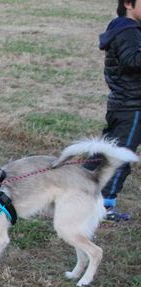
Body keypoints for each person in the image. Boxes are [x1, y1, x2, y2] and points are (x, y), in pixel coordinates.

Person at [92, 0, 141, 221]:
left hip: (124, 105)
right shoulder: (127, 31)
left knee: (105, 150)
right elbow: (133, 60)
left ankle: (76, 188)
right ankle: (104, 206)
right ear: (128, 4)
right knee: (120, 155)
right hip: (132, 107)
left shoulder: (127, 29)